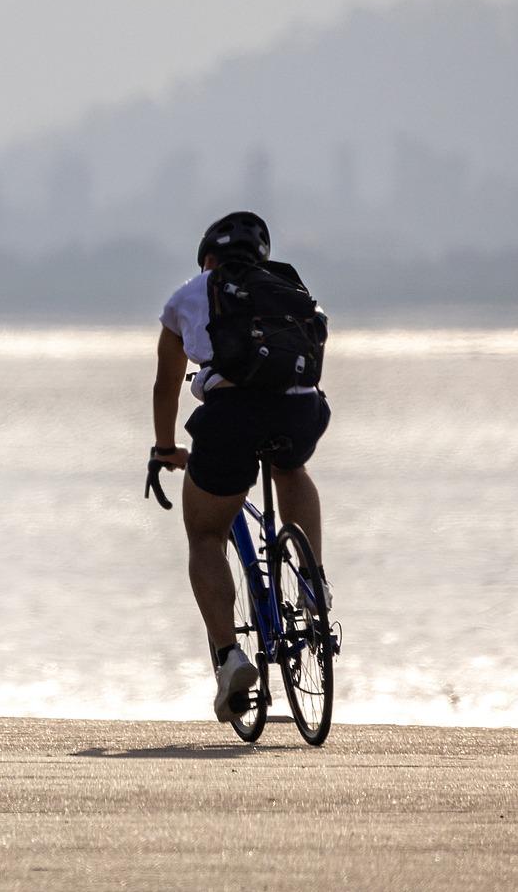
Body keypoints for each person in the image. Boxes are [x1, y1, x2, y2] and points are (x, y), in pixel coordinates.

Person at [151, 210, 332, 723]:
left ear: (208, 259)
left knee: (205, 535)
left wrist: (166, 448)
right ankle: (312, 586)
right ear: (261, 256)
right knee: (290, 469)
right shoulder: (290, 285)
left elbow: (166, 385)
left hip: (231, 415)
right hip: (301, 408)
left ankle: (230, 657)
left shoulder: (190, 294)